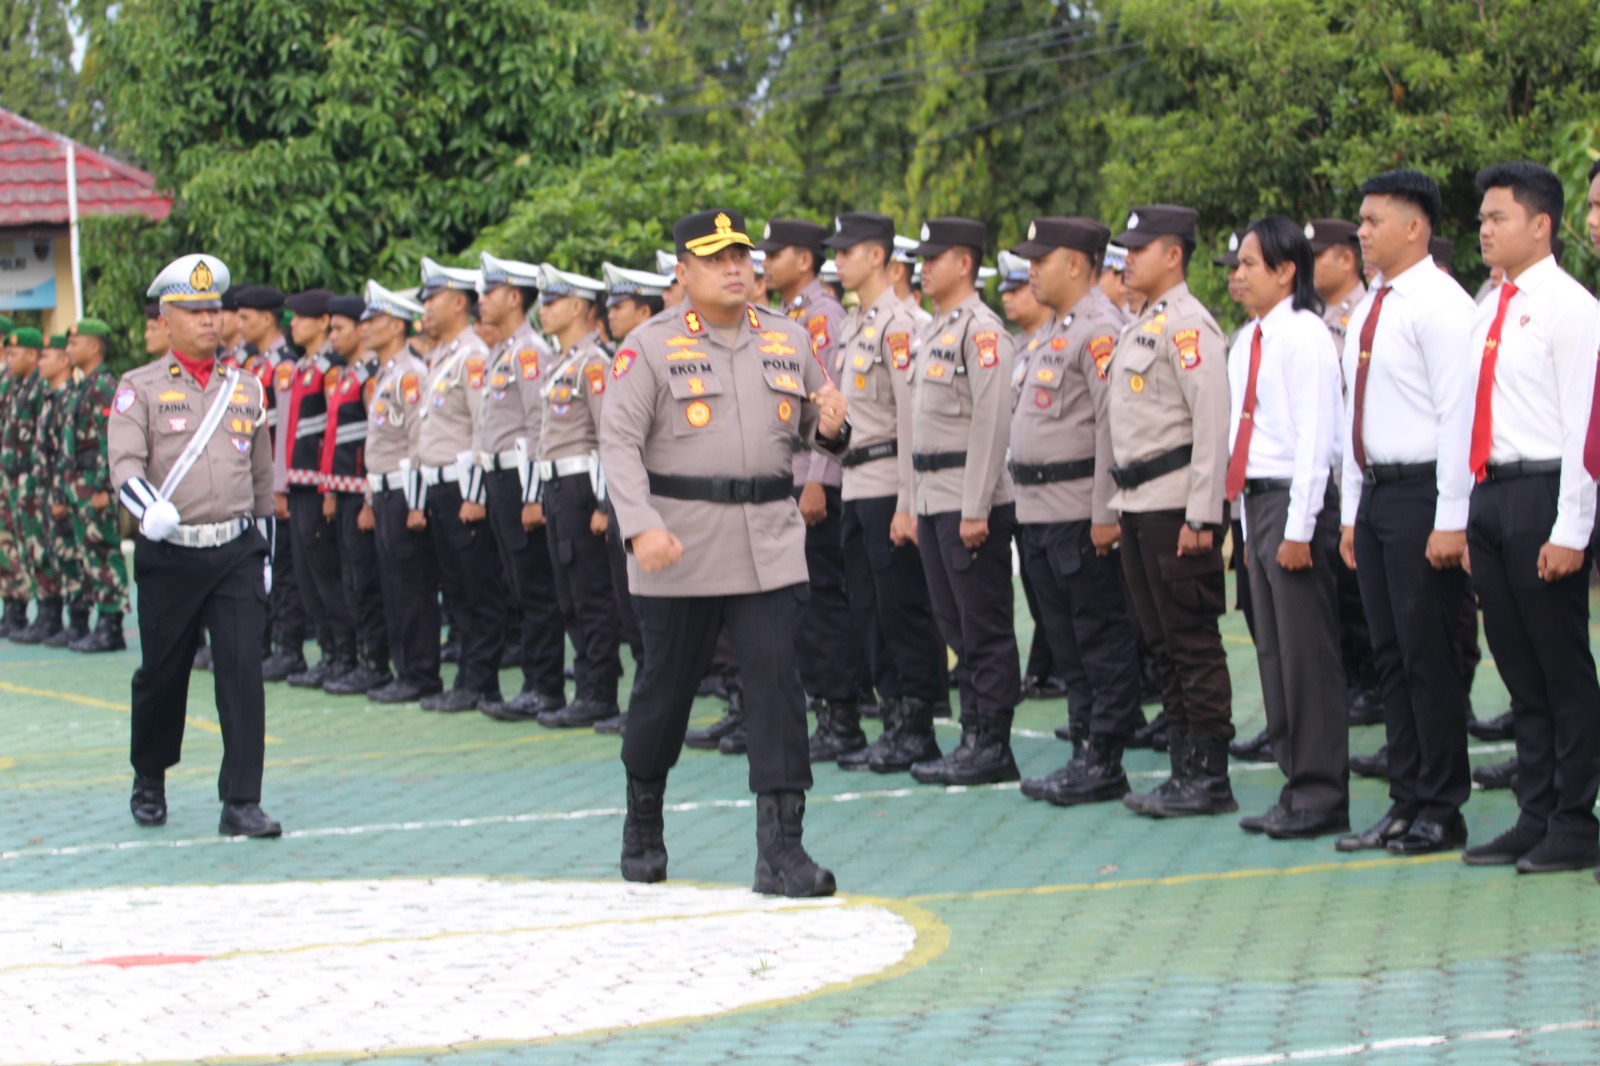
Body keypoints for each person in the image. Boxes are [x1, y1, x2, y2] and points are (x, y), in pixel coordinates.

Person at [600, 208, 849, 895]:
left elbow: (812, 432)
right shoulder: (648, 347)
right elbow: (617, 446)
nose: (736, 268)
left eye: (741, 255)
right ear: (683, 273)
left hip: (767, 543)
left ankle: (782, 851)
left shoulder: (787, 339)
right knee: (663, 696)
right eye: (716, 258)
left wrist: (834, 427)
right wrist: (640, 525)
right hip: (680, 544)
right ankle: (643, 821)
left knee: (776, 689)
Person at [1460, 162, 1600, 874]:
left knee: (1561, 670)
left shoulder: (1570, 307)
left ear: (1541, 225)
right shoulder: (1491, 304)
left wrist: (1571, 530)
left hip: (1544, 495)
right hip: (1492, 496)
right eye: (1481, 220)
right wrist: (1462, 515)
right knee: (1519, 672)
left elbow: (1584, 427)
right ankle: (1536, 813)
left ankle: (1576, 821)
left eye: (1498, 218)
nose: (1484, 230)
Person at [110, 254, 280, 838]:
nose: (211, 321)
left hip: (234, 549)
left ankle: (241, 801)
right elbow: (124, 466)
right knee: (163, 673)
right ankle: (150, 776)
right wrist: (146, 511)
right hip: (172, 551)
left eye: (215, 310)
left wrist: (267, 555)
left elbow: (263, 479)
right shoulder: (140, 389)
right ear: (167, 318)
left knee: (241, 674)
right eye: (196, 311)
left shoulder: (248, 389)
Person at [1334, 169, 1476, 857]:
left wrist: (1452, 516)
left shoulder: (1440, 304)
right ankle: (1405, 799)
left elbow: (1457, 415)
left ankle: (1443, 807)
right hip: (1379, 496)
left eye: (1373, 220)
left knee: (1429, 657)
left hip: (1425, 494)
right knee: (1389, 657)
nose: (1361, 232)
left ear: (1414, 227)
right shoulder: (1370, 306)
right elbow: (1355, 415)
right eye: (1359, 221)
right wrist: (1352, 511)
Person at [1008, 216, 1146, 806]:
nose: (1032, 269)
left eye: (1043, 258)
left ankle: (1106, 757)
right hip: (1039, 511)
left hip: (1076, 512)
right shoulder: (1053, 331)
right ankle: (1084, 749)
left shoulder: (1099, 329)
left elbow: (1113, 428)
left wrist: (1104, 512)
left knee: (1098, 637)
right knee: (1066, 643)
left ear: (1077, 264)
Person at [1105, 205, 1236, 819]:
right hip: (1137, 506)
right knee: (1163, 645)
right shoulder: (1142, 325)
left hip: (1175, 510)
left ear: (1174, 255)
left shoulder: (1189, 327)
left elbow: (1211, 426)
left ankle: (1209, 777)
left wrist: (1203, 517)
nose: (1127, 258)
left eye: (1140, 247)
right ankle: (1185, 769)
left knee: (1192, 644)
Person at [1226, 217, 1349, 839]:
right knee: (1273, 654)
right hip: (1258, 506)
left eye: (1250, 264)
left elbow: (1313, 441)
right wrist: (1243, 530)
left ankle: (1322, 793)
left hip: (1293, 505)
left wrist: (1299, 530)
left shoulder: (1304, 336)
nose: (1237, 275)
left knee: (1307, 658)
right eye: (1237, 265)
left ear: (1285, 271)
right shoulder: (1249, 339)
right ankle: (1294, 781)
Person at [900, 217, 1023, 787]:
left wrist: (975, 506)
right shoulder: (934, 331)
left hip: (969, 502)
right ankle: (973, 732)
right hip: (933, 499)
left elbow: (992, 425)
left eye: (934, 257)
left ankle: (992, 741)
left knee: (983, 625)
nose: (923, 267)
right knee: (954, 624)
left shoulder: (982, 330)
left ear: (965, 264)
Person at [822, 211, 944, 773]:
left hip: (889, 484)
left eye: (848, 250)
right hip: (855, 479)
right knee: (869, 611)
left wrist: (906, 501)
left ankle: (918, 728)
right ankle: (894, 719)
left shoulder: (899, 325)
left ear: (877, 256)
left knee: (901, 611)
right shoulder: (853, 325)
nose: (838, 259)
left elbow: (912, 418)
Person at [757, 218, 867, 760]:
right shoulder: (788, 317)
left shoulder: (822, 316)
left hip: (814, 480)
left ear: (804, 259)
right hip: (792, 478)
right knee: (805, 603)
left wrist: (820, 481)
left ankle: (843, 716)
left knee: (825, 601)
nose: (766, 262)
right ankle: (826, 709)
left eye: (775, 253)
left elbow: (829, 403)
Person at [470, 252, 566, 721]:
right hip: (499, 476)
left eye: (489, 292)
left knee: (534, 587)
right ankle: (534, 681)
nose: (481, 301)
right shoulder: (502, 351)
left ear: (513, 297)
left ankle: (546, 685)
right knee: (518, 586)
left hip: (519, 477)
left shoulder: (529, 352)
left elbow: (536, 425)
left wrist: (532, 495)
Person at [529, 261, 622, 729]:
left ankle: (599, 689)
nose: (544, 311)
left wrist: (606, 504)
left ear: (580, 307)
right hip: (556, 486)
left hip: (583, 487)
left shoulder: (593, 364)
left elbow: (610, 438)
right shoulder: (559, 364)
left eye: (553, 302)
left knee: (590, 592)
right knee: (568, 593)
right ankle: (587, 685)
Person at [1303, 218, 1384, 736]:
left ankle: (1372, 685)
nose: (1308, 268)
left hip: (1364, 475)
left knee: (1361, 597)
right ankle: (1357, 680)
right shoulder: (1317, 318)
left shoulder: (1367, 313)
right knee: (1338, 595)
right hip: (1333, 478)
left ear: (1346, 260)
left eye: (1318, 256)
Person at [415, 256, 506, 712]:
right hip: (440, 486)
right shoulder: (444, 356)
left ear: (457, 301)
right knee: (456, 590)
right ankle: (468, 678)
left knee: (477, 588)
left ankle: (481, 680)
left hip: (462, 487)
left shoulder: (472, 356)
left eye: (432, 298)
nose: (425, 307)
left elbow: (481, 426)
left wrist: (474, 494)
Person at [596, 261, 675, 734]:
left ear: (644, 309)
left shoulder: (663, 352)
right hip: (627, 497)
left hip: (661, 498)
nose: (611, 315)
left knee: (661, 616)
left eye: (620, 305)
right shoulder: (623, 354)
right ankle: (649, 705)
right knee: (635, 612)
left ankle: (661, 709)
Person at [358, 281, 443, 705]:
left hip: (404, 492)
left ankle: (421, 672)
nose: (365, 328)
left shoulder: (410, 374)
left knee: (412, 589)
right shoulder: (387, 373)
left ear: (394, 325)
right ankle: (404, 668)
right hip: (385, 492)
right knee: (392, 586)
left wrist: (415, 502)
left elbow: (416, 441)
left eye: (372, 320)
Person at [312, 295, 393, 695]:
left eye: (339, 328)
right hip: (342, 492)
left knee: (365, 580)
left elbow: (375, 441)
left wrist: (368, 501)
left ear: (361, 330)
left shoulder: (370, 376)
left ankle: (375, 661)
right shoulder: (350, 373)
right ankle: (360, 658)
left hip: (362, 492)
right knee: (349, 579)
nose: (333, 336)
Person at [275, 288, 354, 688]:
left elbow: (333, 431)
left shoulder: (331, 369)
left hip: (320, 483)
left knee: (327, 572)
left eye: (301, 317)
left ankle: (345, 652)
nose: (293, 324)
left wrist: (327, 490)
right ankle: (328, 651)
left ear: (322, 321)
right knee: (308, 576)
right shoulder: (306, 367)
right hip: (299, 481)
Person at [234, 286, 308, 681]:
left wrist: (277, 484)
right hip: (252, 482)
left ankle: (288, 647)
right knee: (260, 566)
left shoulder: (282, 365)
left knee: (284, 570)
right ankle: (265, 644)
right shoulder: (257, 365)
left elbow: (285, 431)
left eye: (245, 317)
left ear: (266, 319)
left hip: (274, 483)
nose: (238, 325)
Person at [53, 319, 129, 652]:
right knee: (88, 555)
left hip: (94, 483)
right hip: (78, 484)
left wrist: (102, 487)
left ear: (94, 346)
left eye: (75, 343)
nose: (68, 350)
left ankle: (112, 626)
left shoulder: (104, 386)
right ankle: (100, 622)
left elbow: (108, 439)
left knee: (103, 552)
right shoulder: (84, 385)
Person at [0, 329, 45, 640]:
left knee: (36, 545)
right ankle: (13, 607)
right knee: (10, 544)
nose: (9, 357)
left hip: (31, 478)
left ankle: (46, 612)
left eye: (14, 352)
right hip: (11, 476)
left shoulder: (38, 387)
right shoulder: (15, 384)